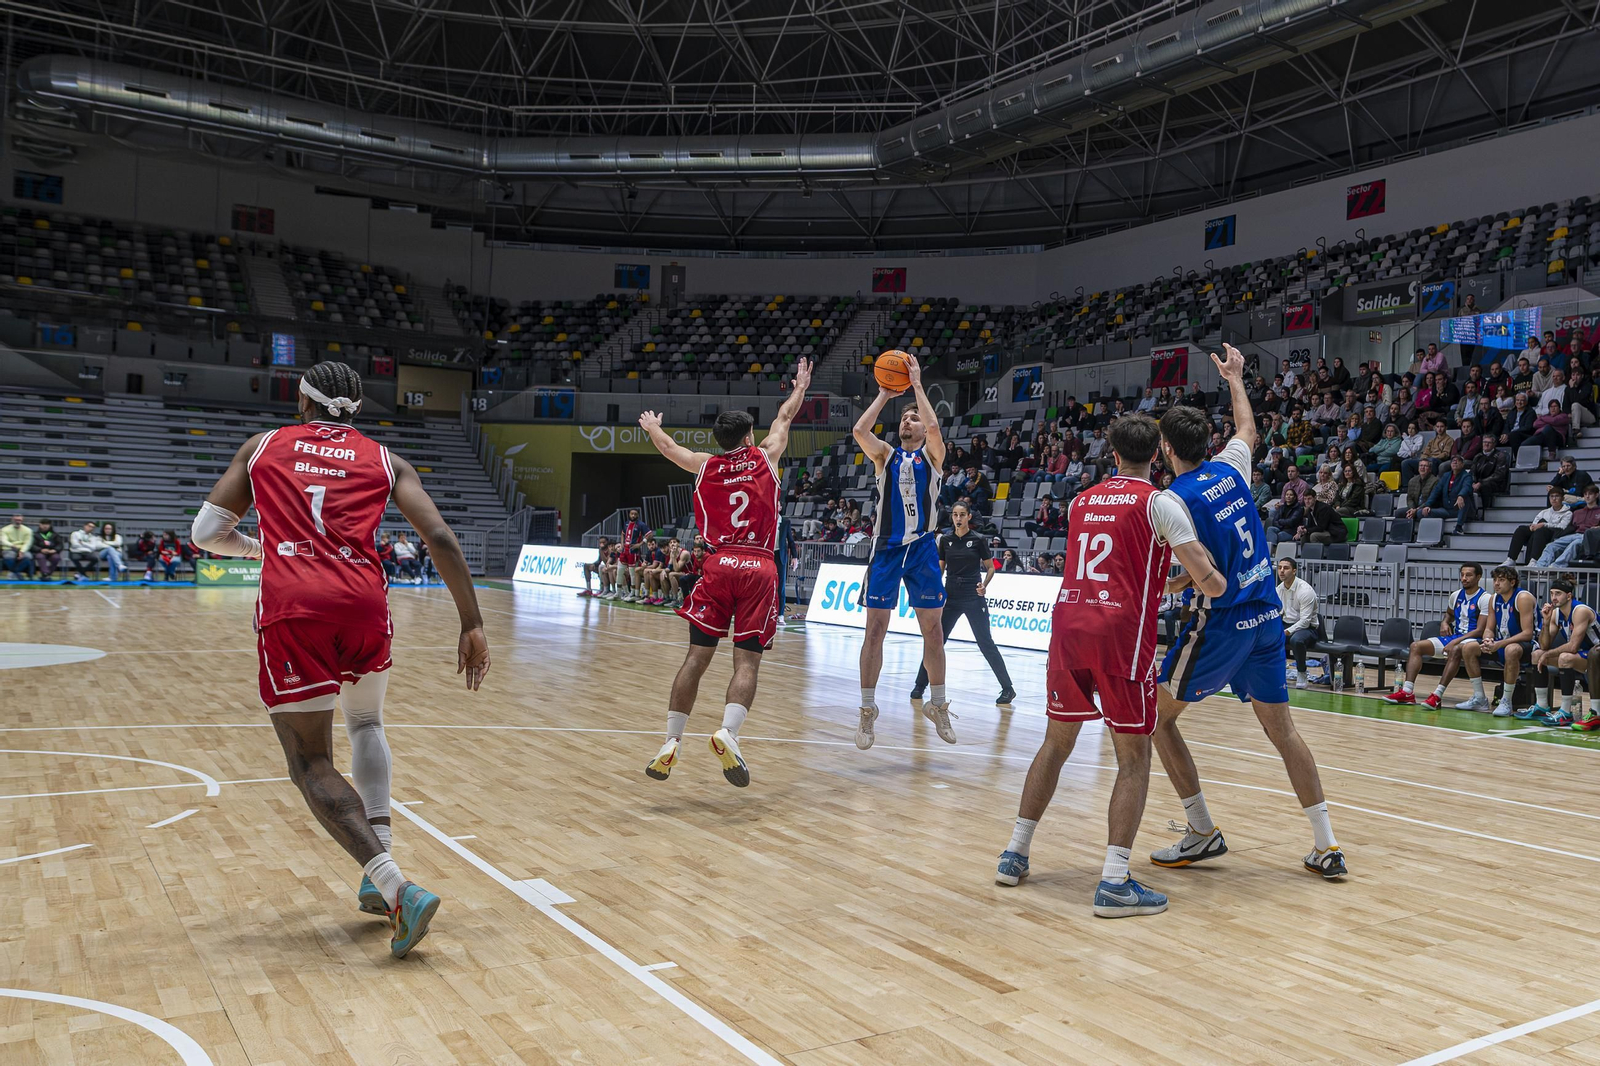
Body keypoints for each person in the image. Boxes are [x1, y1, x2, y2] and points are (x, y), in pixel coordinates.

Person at [192, 360, 490, 959]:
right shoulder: (386, 460)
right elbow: (440, 538)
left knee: (310, 760)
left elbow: (205, 533)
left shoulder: (264, 446)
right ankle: (379, 873)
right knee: (367, 723)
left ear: (303, 402)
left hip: (295, 607)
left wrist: (261, 549)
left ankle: (395, 886)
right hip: (363, 604)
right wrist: (472, 622)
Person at [995, 413, 1225, 918]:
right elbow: (1209, 580)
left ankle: (1014, 853)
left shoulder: (1082, 500)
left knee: (1055, 744)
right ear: (1157, 454)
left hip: (1068, 628)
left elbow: (1118, 569)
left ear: (1114, 455)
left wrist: (1167, 583)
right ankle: (1116, 882)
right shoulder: (1160, 502)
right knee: (1133, 759)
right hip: (1120, 640)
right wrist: (1217, 580)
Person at [1151, 343, 1347, 881]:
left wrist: (1170, 583)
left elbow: (1205, 574)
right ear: (1206, 443)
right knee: (1284, 733)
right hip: (1266, 619)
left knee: (1155, 721)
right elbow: (1248, 429)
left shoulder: (1172, 500)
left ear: (1166, 448)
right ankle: (1326, 844)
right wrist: (1235, 378)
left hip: (1221, 623)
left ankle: (1201, 830)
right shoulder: (1232, 468)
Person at [638, 356, 812, 787]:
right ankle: (728, 733)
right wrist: (800, 387)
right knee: (746, 662)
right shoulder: (766, 456)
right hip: (758, 566)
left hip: (718, 565)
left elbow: (669, 449)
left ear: (719, 440)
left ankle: (671, 741)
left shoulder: (705, 465)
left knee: (696, 658)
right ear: (749, 436)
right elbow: (785, 416)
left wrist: (653, 426)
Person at [850, 354, 958, 750]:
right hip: (887, 549)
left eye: (912, 418)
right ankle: (867, 709)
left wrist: (915, 385)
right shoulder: (886, 455)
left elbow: (934, 426)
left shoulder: (933, 455)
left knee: (934, 629)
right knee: (875, 630)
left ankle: (938, 703)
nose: (907, 422)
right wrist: (884, 394)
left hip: (924, 548)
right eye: (904, 419)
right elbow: (860, 429)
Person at [910, 502, 1017, 708]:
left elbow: (991, 567)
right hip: (951, 595)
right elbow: (941, 568)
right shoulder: (946, 540)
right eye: (955, 515)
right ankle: (919, 686)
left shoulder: (978, 539)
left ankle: (1008, 688)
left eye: (962, 515)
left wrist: (984, 585)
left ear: (969, 517)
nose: (958, 518)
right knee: (935, 641)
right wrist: (934, 588)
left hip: (972, 595)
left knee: (985, 642)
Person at [1382, 564, 1491, 708]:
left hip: (1474, 640)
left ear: (1478, 577)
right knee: (1416, 646)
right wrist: (1444, 622)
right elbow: (1449, 614)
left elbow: (1480, 630)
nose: (1464, 578)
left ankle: (1437, 695)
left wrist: (1455, 642)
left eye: (1469, 575)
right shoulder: (1456, 595)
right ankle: (1407, 692)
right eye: (1462, 575)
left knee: (1456, 649)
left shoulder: (1485, 598)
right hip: (1457, 636)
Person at [1456, 567, 1537, 717]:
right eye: (1495, 580)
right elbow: (1489, 628)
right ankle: (1479, 698)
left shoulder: (1523, 598)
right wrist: (1488, 639)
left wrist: (1499, 644)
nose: (1496, 583)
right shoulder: (1494, 599)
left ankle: (1506, 701)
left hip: (1528, 645)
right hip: (1502, 642)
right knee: (1468, 647)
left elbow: (1527, 633)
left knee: (1511, 649)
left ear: (1512, 582)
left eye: (1501, 580)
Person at [1529, 580, 1600, 729]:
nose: (1554, 598)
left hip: (1596, 654)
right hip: (1583, 655)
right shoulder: (1556, 613)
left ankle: (1566, 712)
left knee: (1565, 657)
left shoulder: (1580, 611)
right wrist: (1546, 622)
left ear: (1569, 596)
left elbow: (1573, 647)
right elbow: (1544, 645)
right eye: (1551, 594)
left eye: (1558, 594)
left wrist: (1548, 654)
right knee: (1537, 654)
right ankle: (1541, 706)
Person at [1504, 487, 1573, 565]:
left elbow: (1562, 527)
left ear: (1562, 498)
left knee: (1541, 530)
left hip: (1554, 534)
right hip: (1540, 532)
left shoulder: (1568, 513)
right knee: (1521, 529)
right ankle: (1511, 559)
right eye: (1552, 496)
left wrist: (1544, 525)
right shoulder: (1544, 512)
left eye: (1557, 496)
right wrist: (1532, 527)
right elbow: (1535, 523)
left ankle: (1534, 560)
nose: (1554, 499)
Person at [1277, 558, 1318, 689]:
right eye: (1279, 567)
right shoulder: (1278, 589)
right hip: (1286, 624)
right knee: (1267, 637)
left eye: (1286, 568)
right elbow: (1277, 613)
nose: (1281, 571)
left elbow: (1305, 622)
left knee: (1297, 640)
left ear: (1294, 571)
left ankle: (1302, 672)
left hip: (1308, 628)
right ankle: (1277, 671)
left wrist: (1286, 631)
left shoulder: (1305, 590)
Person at [1535, 484, 1600, 567]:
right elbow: (1570, 527)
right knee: (1551, 545)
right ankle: (1539, 567)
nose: (1587, 496)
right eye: (1585, 494)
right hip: (1574, 534)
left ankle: (1556, 567)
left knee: (1574, 544)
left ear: (1596, 495)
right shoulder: (1577, 512)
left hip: (1589, 537)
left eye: (1590, 494)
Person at [1, 515, 35, 579]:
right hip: (9, 548)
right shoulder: (4, 529)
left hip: (22, 549)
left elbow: (28, 543)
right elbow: (3, 540)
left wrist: (22, 551)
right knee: (9, 556)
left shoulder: (28, 530)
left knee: (28, 556)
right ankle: (17, 573)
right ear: (12, 520)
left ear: (22, 521)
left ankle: (14, 572)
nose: (18, 522)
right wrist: (11, 545)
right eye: (16, 520)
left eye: (19, 520)